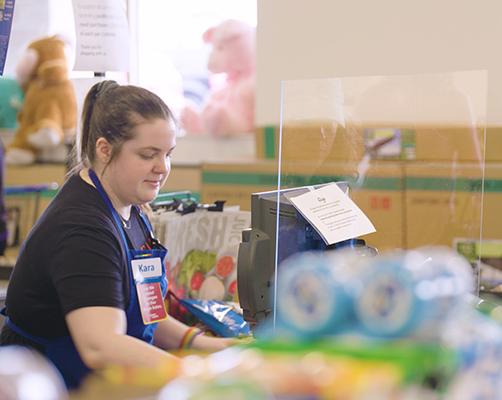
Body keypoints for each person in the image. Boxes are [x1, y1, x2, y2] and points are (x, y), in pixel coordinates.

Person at [0, 81, 234, 389]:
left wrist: (206, 346)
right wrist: (195, 375)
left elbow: (144, 311)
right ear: (104, 149)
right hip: (51, 386)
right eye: (148, 154)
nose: (162, 168)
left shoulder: (131, 207)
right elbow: (102, 345)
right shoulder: (82, 228)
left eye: (167, 154)